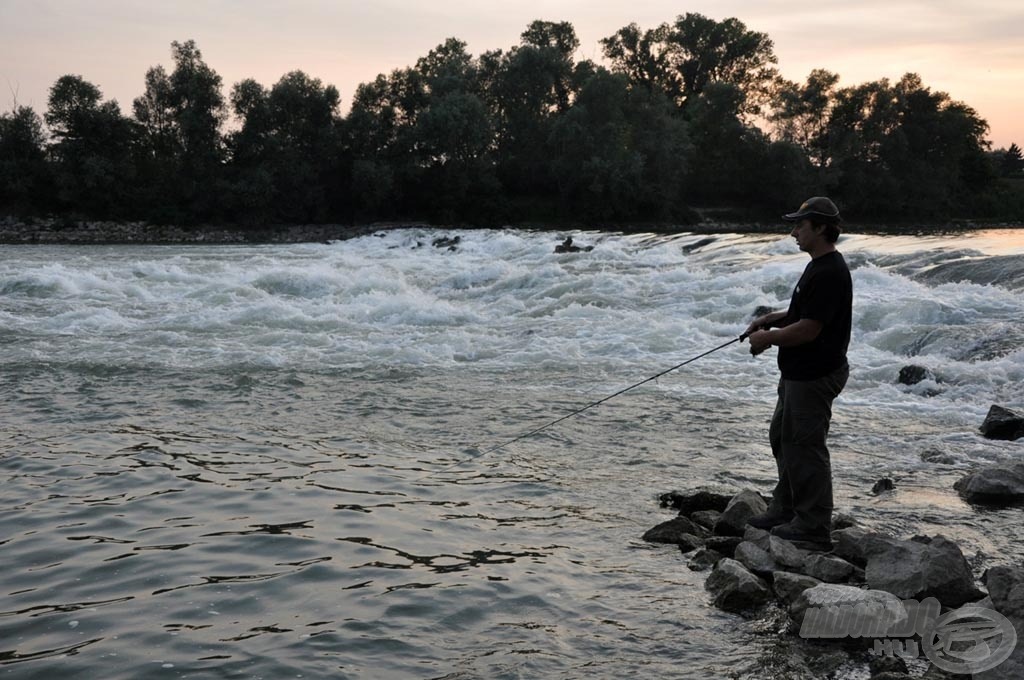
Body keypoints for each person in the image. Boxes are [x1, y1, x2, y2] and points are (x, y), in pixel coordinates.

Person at [743, 196, 852, 551]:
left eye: (800, 226)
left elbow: (809, 330)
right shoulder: (817, 267)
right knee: (782, 436)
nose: (793, 232)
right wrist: (769, 319)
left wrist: (767, 340)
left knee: (805, 446)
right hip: (797, 374)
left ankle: (813, 524)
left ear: (820, 228)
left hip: (814, 374)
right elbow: (800, 314)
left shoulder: (830, 272)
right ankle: (786, 508)